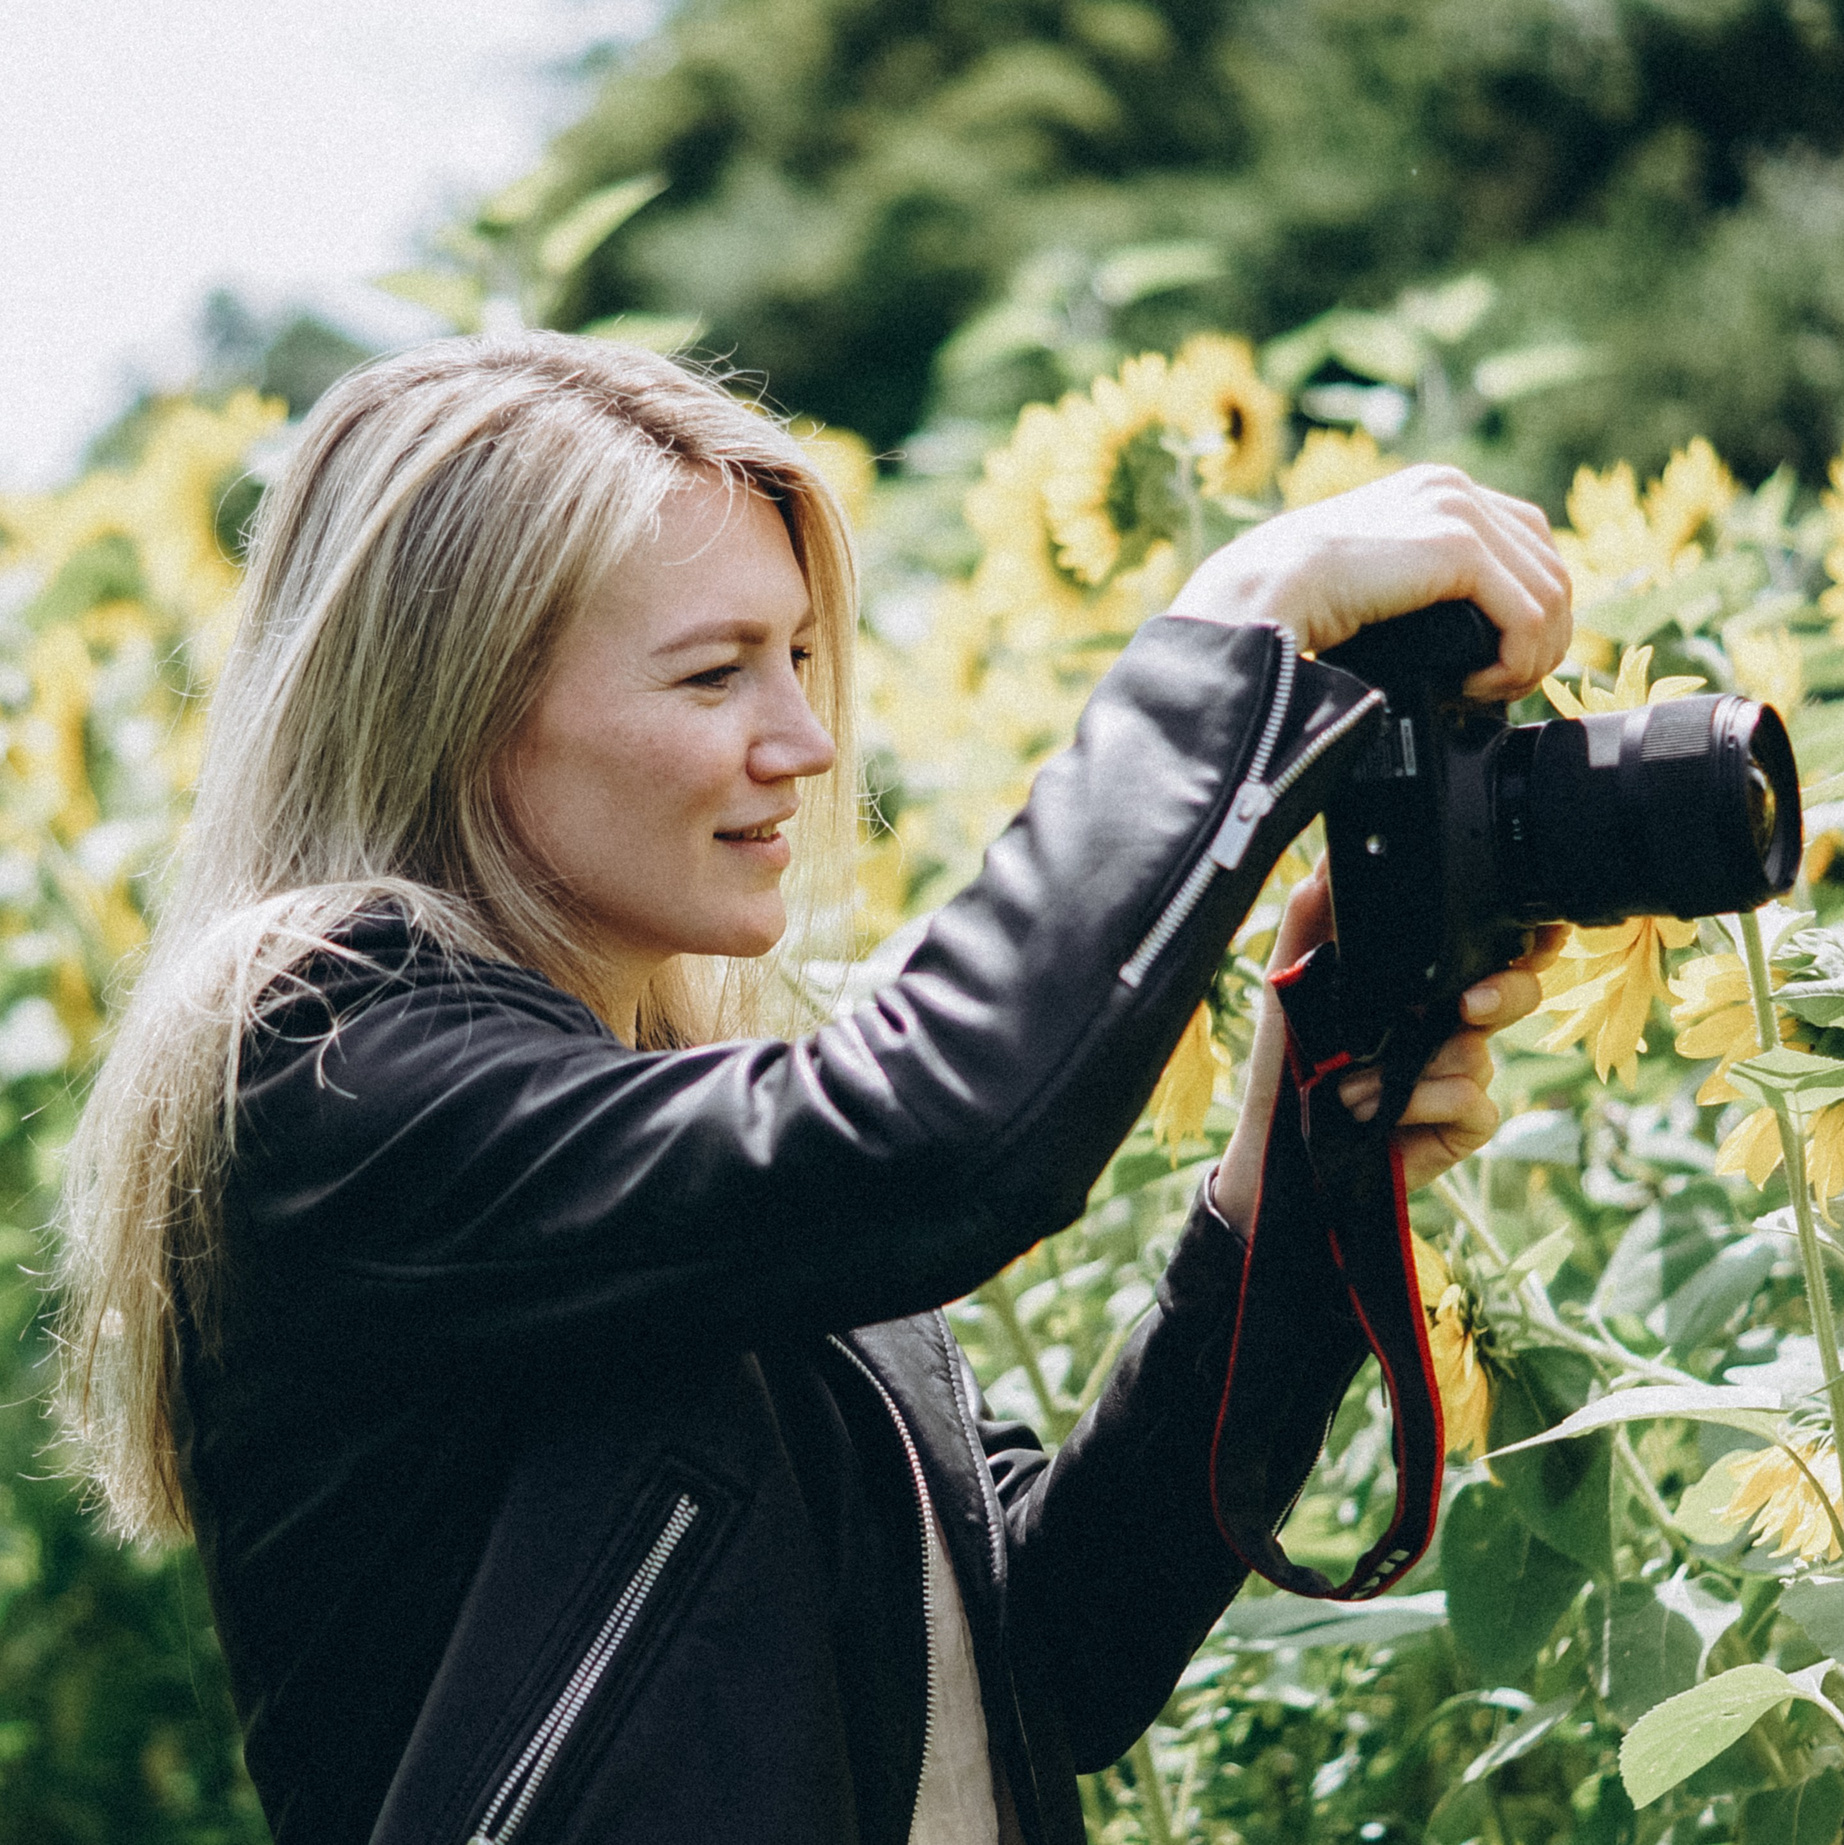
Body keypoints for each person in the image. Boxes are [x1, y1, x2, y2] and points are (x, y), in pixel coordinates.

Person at [55, 333, 1569, 1845]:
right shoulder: (330, 1067)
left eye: (796, 657)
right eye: (715, 673)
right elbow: (939, 1141)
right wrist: (1234, 636)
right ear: (455, 707)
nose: (804, 742)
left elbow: (1051, 1651)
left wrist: (1289, 1180)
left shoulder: (670, 1122)